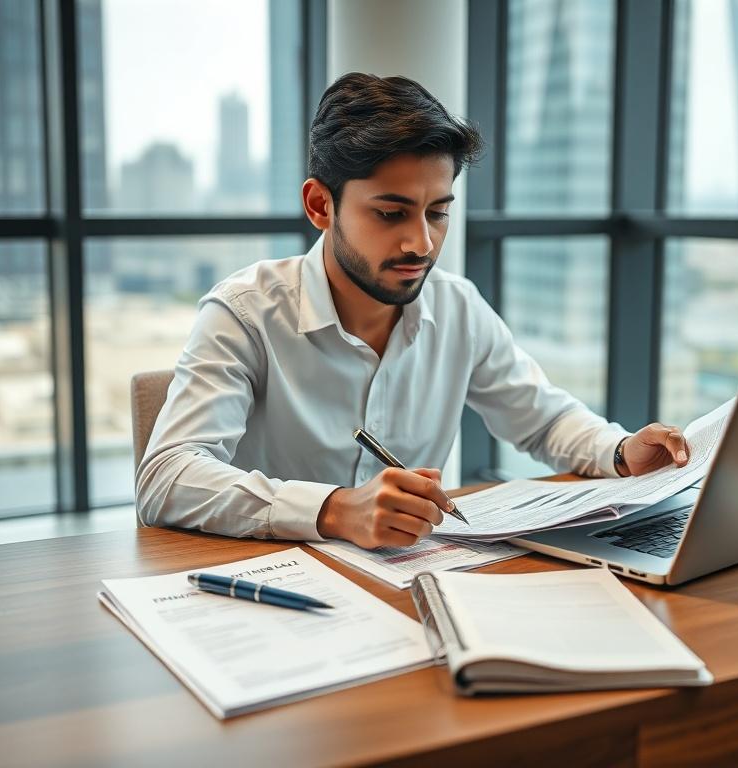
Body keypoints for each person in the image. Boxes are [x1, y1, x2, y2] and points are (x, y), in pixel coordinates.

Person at [137, 72, 689, 549]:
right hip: (273, 594)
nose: (421, 243)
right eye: (390, 213)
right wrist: (334, 510)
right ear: (319, 205)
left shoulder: (457, 307)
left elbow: (543, 419)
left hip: (414, 586)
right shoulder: (245, 312)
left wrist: (620, 452)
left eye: (437, 213)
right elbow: (167, 477)